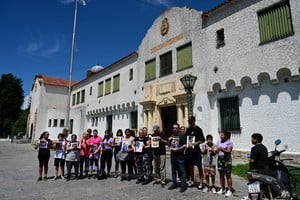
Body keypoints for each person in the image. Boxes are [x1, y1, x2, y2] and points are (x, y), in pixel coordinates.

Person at [241, 133, 269, 200]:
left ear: (255, 140)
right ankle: (257, 196)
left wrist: (249, 169)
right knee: (259, 184)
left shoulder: (254, 148)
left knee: (252, 183)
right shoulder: (264, 147)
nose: (251, 140)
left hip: (256, 169)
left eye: (252, 139)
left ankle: (251, 197)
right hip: (264, 169)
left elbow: (252, 161)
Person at [185, 116, 205, 190]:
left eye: (191, 121)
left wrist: (197, 143)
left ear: (194, 121)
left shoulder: (198, 129)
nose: (190, 122)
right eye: (189, 121)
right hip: (190, 151)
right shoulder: (188, 129)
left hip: (196, 151)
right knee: (190, 166)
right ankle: (192, 180)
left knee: (199, 166)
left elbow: (203, 139)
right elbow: (186, 138)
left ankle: (201, 182)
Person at [168, 123, 187, 192]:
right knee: (173, 171)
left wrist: (178, 149)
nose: (175, 129)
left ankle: (183, 185)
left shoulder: (181, 135)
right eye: (173, 128)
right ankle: (174, 183)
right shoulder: (172, 135)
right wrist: (169, 140)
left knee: (182, 171)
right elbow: (168, 145)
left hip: (180, 156)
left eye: (176, 128)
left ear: (178, 129)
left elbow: (185, 145)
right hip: (173, 156)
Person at [216, 131, 234, 197]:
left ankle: (229, 190)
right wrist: (215, 150)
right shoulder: (219, 141)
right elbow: (216, 149)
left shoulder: (229, 142)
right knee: (221, 174)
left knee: (228, 175)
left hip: (227, 159)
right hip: (220, 159)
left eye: (222, 135)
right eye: (221, 135)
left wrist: (222, 149)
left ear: (226, 136)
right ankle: (222, 188)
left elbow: (229, 151)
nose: (221, 136)